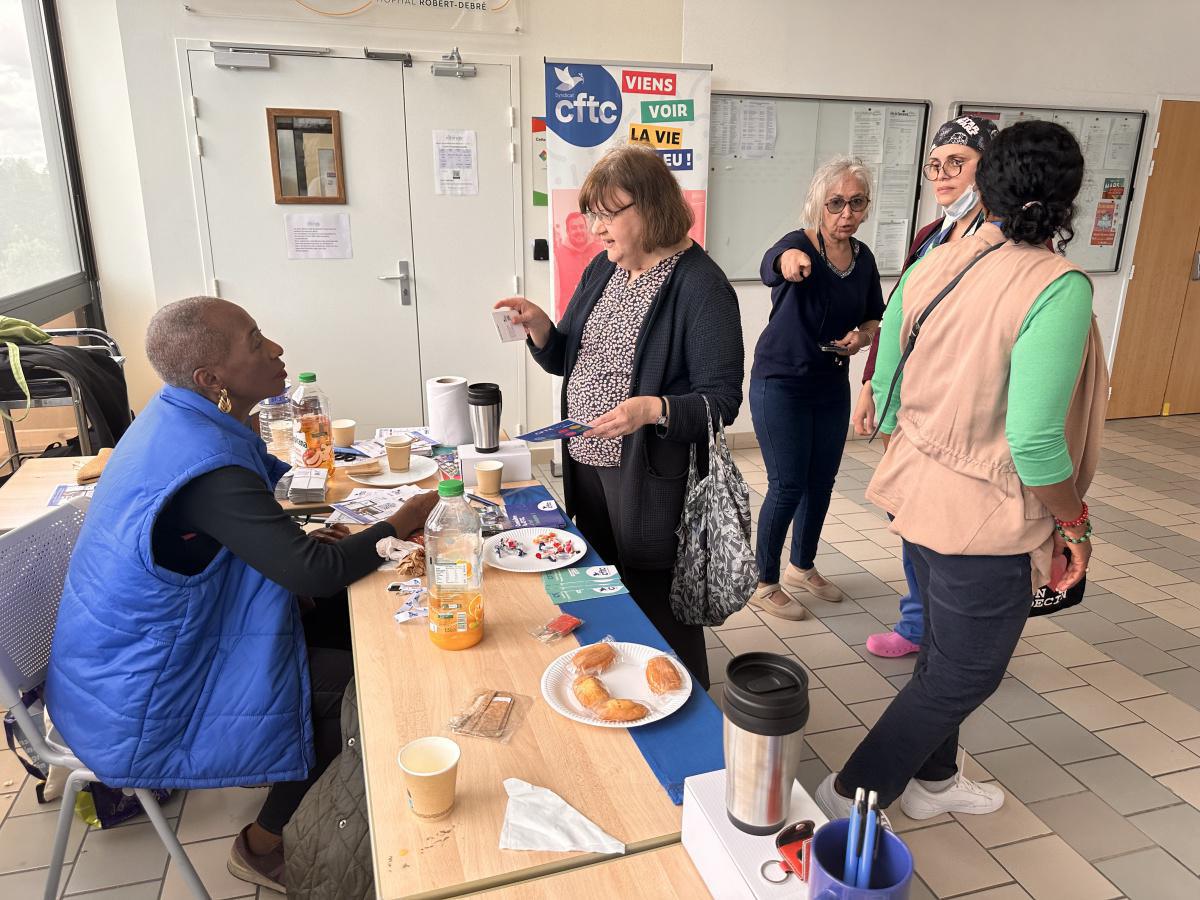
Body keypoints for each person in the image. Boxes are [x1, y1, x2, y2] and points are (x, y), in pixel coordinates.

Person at [46, 296, 438, 893]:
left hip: (133, 657)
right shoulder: (207, 466)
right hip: (143, 693)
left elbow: (263, 535)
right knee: (365, 686)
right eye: (256, 342)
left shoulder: (179, 416)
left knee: (349, 619)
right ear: (212, 379)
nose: (276, 349)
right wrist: (397, 524)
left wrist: (304, 542)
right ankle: (264, 845)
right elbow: (312, 572)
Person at [815, 120, 1108, 822]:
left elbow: (885, 374)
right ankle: (848, 797)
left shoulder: (937, 261)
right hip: (986, 517)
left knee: (943, 655)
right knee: (967, 670)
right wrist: (1075, 523)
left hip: (918, 492)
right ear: (1069, 197)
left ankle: (936, 782)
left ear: (988, 183)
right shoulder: (1056, 286)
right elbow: (1035, 442)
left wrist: (899, 426)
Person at [496, 145, 743, 689]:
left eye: (611, 215)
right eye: (594, 215)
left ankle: (684, 706)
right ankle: (619, 685)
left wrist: (651, 409)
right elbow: (568, 356)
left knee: (656, 602)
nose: (598, 229)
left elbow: (721, 401)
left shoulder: (700, 286)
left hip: (650, 477)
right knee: (604, 584)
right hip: (590, 462)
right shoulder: (604, 269)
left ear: (652, 207)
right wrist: (540, 327)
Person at [854, 115, 999, 658]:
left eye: (957, 164)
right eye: (935, 166)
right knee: (910, 524)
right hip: (902, 410)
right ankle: (919, 625)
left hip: (947, 417)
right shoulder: (932, 235)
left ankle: (955, 638)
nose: (942, 176)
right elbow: (896, 316)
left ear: (992, 169)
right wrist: (871, 383)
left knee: (950, 534)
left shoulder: (1001, 242)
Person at [746, 157, 884, 621]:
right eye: (836, 203)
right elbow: (774, 262)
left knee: (821, 483)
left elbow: (872, 315)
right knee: (787, 485)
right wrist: (790, 262)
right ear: (818, 206)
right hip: (780, 382)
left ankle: (800, 567)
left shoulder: (863, 259)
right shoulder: (797, 244)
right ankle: (763, 581)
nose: (846, 213)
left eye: (856, 203)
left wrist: (862, 337)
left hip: (830, 383)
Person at [554, 209, 605, 316]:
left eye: (581, 227)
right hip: (570, 314)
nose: (579, 231)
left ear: (586, 228)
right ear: (567, 231)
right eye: (574, 228)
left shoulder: (601, 250)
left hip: (597, 313)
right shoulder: (558, 255)